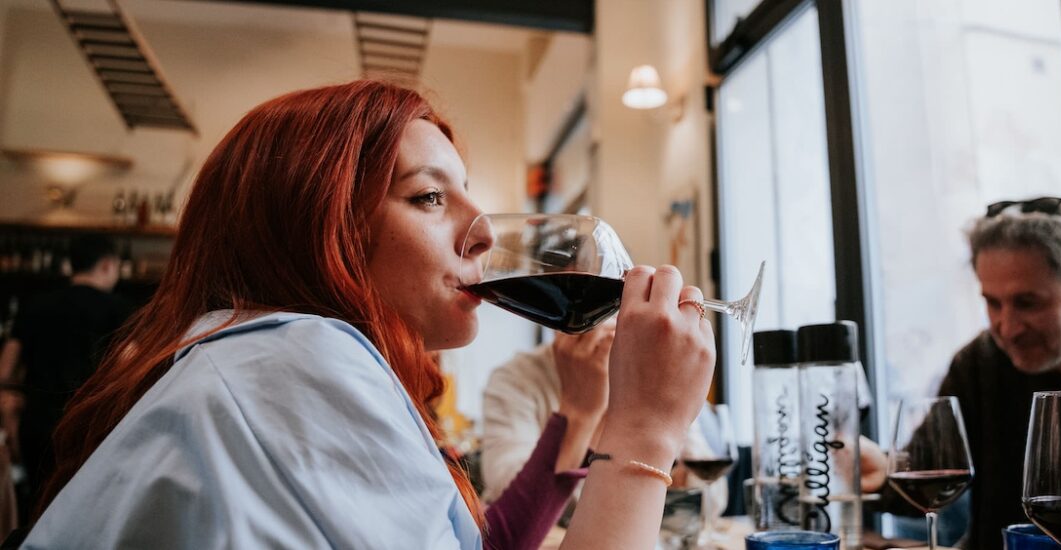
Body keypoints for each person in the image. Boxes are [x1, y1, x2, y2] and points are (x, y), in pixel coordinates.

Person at [17, 80, 716, 549]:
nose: (482, 233)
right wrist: (647, 430)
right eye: (428, 198)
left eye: (466, 194)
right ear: (316, 228)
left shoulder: (259, 360)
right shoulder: (293, 362)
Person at [862, 196, 1061, 549]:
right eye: (992, 302)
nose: (1007, 328)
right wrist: (878, 469)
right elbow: (929, 479)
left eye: (1027, 303)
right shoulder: (978, 362)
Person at [481, 320, 727, 522]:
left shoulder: (650, 376)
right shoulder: (517, 378)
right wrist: (586, 413)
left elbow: (713, 498)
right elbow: (510, 496)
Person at [0, 234, 130, 520]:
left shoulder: (35, 305)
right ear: (108, 265)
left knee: (36, 511)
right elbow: (131, 369)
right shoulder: (118, 310)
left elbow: (5, 371)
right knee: (86, 515)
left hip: (37, 426)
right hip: (90, 427)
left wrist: (11, 419)